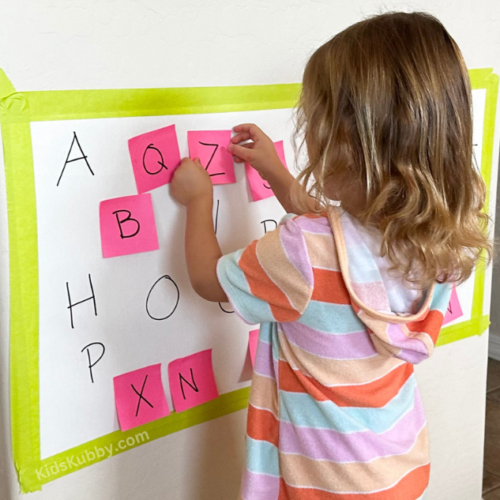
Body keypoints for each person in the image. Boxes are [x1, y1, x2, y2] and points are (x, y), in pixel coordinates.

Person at [170, 11, 492, 500]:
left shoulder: (303, 251)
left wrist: (198, 201)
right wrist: (275, 170)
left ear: (348, 142)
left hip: (322, 484)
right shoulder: (440, 237)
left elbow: (209, 281)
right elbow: (341, 233)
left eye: (313, 119)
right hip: (395, 468)